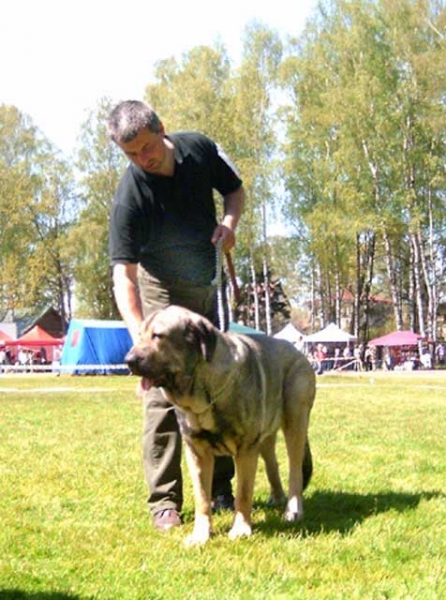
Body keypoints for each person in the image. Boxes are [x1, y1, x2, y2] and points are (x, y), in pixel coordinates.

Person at [107, 100, 245, 532]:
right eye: (131, 154)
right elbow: (122, 276)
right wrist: (142, 340)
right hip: (159, 288)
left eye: (147, 148)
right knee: (160, 390)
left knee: (216, 379)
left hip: (204, 283)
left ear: (161, 129)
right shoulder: (131, 195)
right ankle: (164, 501)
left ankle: (221, 488)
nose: (142, 159)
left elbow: (235, 191)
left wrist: (230, 224)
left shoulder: (199, 149)